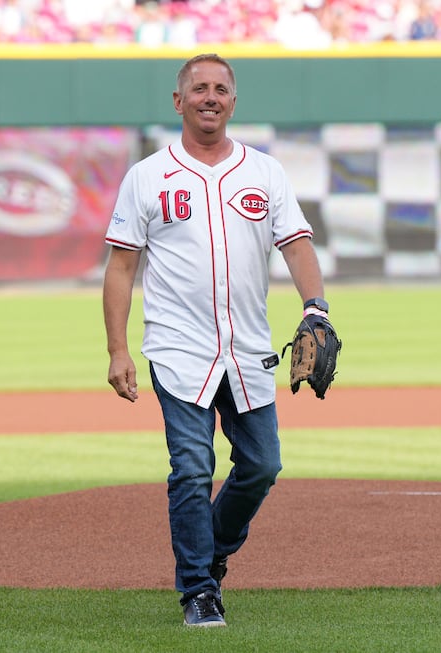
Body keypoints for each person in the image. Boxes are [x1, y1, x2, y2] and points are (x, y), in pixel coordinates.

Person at [102, 53, 329, 627]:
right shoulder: (147, 176)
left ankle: (212, 549)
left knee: (262, 466)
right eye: (199, 88)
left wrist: (316, 308)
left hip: (248, 350)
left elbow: (297, 244)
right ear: (178, 101)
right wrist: (118, 349)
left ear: (233, 100)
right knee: (191, 468)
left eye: (220, 89)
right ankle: (199, 590)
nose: (210, 97)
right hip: (178, 349)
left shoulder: (265, 172)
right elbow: (121, 267)